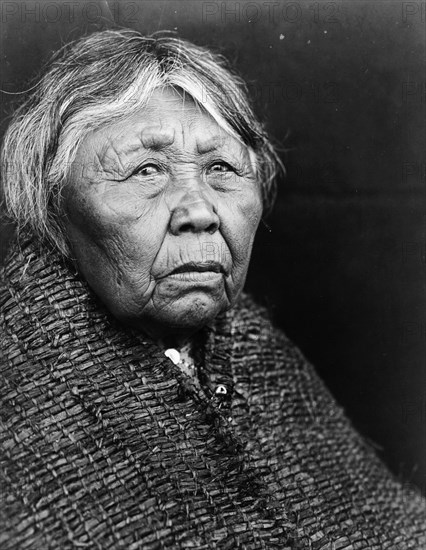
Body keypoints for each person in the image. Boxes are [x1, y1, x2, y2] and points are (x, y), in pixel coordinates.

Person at [0, 29, 424, 549]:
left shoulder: (255, 350)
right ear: (53, 213)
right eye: (146, 170)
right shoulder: (18, 411)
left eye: (221, 168)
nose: (200, 211)